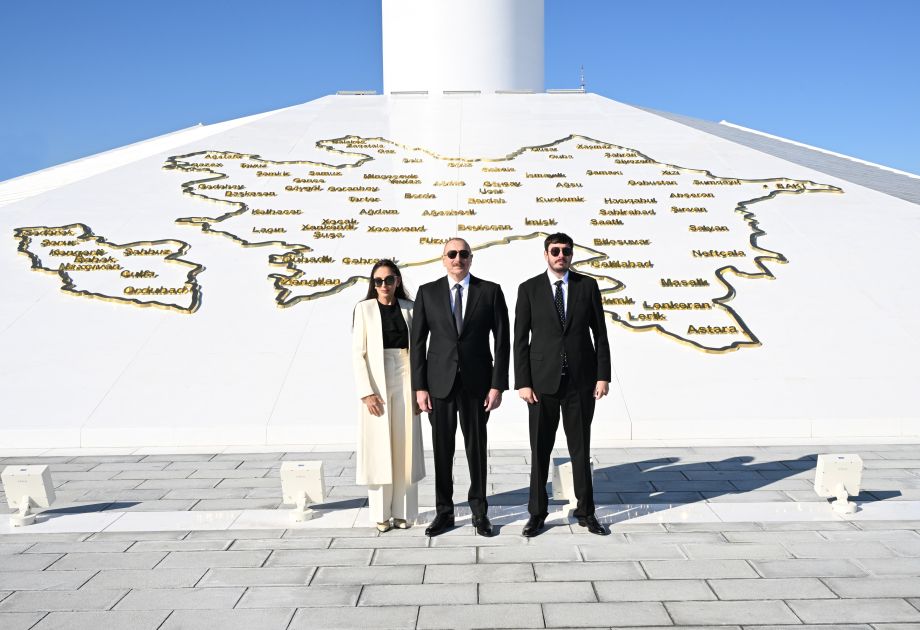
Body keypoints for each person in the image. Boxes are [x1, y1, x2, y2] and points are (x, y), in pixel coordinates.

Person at [513, 233, 611, 537]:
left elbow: (600, 334)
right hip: (541, 386)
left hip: (580, 383)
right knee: (540, 450)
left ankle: (587, 511)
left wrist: (602, 375)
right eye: (555, 251)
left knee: (580, 449)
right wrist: (523, 382)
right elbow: (520, 340)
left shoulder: (587, 286)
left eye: (566, 251)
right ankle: (537, 513)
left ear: (571, 254)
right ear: (545, 255)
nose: (561, 255)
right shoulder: (528, 289)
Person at [411, 238, 510, 537]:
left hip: (477, 386)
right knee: (442, 451)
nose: (458, 259)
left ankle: (480, 513)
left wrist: (498, 386)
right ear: (443, 259)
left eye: (463, 254)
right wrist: (420, 387)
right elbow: (417, 344)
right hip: (439, 385)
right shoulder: (427, 293)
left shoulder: (490, 291)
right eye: (452, 254)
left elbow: (503, 342)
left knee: (476, 451)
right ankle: (444, 513)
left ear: (471, 258)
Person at [352, 259, 425, 532]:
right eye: (378, 281)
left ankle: (404, 512)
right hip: (377, 383)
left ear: (397, 281)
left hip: (406, 376)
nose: (384, 285)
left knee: (405, 447)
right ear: (373, 284)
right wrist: (366, 392)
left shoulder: (410, 308)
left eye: (389, 280)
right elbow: (357, 354)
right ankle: (381, 514)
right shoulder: (364, 309)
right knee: (380, 448)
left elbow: (419, 351)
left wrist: (420, 389)